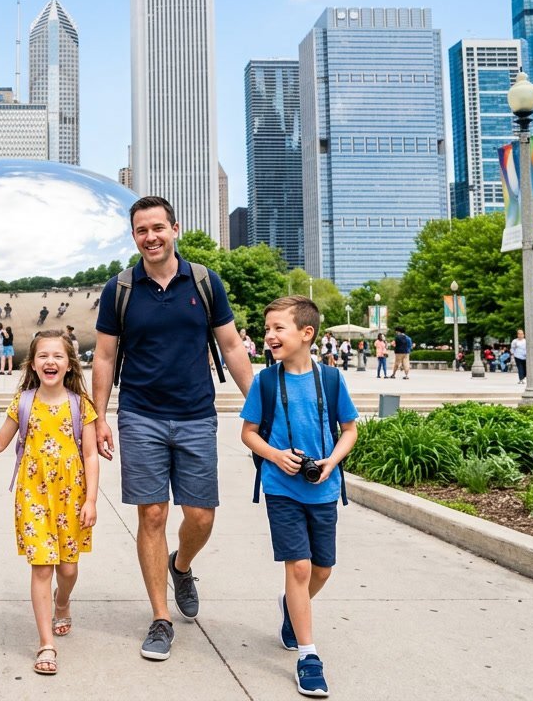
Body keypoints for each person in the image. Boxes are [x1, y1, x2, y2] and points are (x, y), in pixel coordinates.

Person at [91, 196, 254, 661]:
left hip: (197, 414)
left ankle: (181, 566)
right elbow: (104, 356)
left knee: (201, 516)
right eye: (142, 230)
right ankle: (160, 618)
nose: (151, 237)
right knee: (153, 515)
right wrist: (99, 417)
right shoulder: (119, 289)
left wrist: (262, 407)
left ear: (175, 228)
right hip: (140, 415)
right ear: (134, 236)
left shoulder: (204, 281)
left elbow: (231, 346)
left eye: (158, 227)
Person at [239, 296, 358, 698]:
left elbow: (350, 430)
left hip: (324, 488)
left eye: (278, 328)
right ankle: (308, 656)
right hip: (281, 488)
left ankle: (292, 608)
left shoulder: (332, 380)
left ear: (306, 334)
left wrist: (331, 463)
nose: (269, 335)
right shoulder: (265, 381)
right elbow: (248, 432)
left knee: (323, 568)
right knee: (301, 568)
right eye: (267, 328)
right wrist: (275, 456)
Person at [0, 330, 100, 675]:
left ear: (69, 364)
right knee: (41, 567)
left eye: (57, 356)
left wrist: (92, 501)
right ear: (33, 363)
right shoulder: (23, 402)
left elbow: (91, 455)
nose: (50, 361)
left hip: (72, 498)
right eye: (43, 356)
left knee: (67, 569)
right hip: (33, 497)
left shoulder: (80, 405)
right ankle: (46, 643)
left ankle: (63, 601)